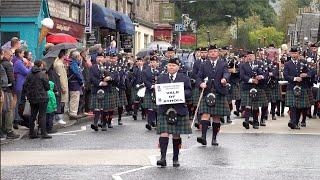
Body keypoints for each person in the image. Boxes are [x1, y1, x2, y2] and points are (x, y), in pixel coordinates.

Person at [156, 57, 192, 167]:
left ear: (178, 67)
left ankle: (175, 158)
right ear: (167, 66)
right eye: (169, 65)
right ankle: (163, 158)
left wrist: (179, 93)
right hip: (164, 109)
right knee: (164, 133)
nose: (171, 67)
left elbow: (189, 92)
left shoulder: (184, 78)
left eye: (173, 66)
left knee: (176, 135)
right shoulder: (161, 78)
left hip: (179, 109)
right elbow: (158, 91)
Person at [196, 45, 230, 146]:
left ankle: (214, 138)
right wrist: (200, 83)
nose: (213, 53)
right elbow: (198, 77)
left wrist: (225, 79)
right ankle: (203, 137)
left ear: (218, 53)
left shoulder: (223, 64)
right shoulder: (204, 65)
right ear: (208, 53)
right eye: (211, 51)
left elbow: (227, 73)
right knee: (205, 114)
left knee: (216, 117)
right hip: (207, 92)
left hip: (219, 92)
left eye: (215, 51)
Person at [284, 47, 312, 129]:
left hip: (302, 87)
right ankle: (293, 121)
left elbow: (311, 71)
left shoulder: (303, 63)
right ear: (290, 54)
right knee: (292, 106)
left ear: (298, 54)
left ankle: (296, 122)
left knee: (299, 106)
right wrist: (295, 78)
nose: (294, 55)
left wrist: (306, 75)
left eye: (295, 53)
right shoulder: (287, 64)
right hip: (292, 87)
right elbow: (285, 76)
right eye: (292, 53)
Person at [240, 51, 268, 129]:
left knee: (256, 105)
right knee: (248, 105)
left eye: (251, 55)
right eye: (248, 55)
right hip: (247, 87)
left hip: (257, 87)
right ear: (246, 57)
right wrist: (251, 80)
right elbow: (242, 76)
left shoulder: (259, 64)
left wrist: (261, 76)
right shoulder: (243, 65)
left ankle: (256, 122)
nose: (250, 57)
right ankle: (246, 121)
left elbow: (265, 73)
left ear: (254, 56)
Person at [90, 52, 118, 131]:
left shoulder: (109, 66)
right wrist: (100, 83)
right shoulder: (93, 67)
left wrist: (109, 78)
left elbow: (115, 75)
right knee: (97, 107)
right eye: (98, 57)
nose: (99, 58)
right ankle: (95, 123)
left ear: (104, 58)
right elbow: (91, 78)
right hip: (97, 89)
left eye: (101, 57)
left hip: (106, 89)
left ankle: (104, 124)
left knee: (105, 108)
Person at [23, 60, 51, 139]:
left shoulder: (29, 74)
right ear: (41, 65)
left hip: (32, 98)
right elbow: (47, 87)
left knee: (33, 115)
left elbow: (25, 86)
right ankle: (43, 133)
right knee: (42, 115)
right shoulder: (42, 75)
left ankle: (31, 133)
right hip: (42, 98)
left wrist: (28, 93)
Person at [0, 49, 20, 139]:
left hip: (4, 90)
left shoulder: (2, 64)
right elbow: (11, 79)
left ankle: (3, 130)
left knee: (3, 111)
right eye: (11, 55)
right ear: (6, 55)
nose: (12, 57)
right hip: (7, 91)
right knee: (9, 110)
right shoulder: (8, 64)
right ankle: (9, 131)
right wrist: (14, 91)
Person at [143, 56, 160, 130]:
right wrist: (151, 86)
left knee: (157, 108)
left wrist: (158, 86)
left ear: (157, 63)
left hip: (159, 91)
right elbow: (145, 80)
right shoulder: (146, 71)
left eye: (154, 62)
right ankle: (149, 123)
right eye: (151, 62)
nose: (152, 63)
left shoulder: (161, 70)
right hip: (149, 91)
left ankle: (157, 123)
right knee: (150, 108)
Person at [53, 50, 68, 124]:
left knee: (60, 102)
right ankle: (59, 118)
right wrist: (63, 87)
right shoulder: (59, 64)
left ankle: (58, 117)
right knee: (61, 102)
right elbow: (61, 77)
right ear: (63, 55)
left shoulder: (59, 63)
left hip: (61, 85)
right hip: (62, 86)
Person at [68, 51, 84, 119]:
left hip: (74, 83)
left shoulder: (74, 63)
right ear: (77, 57)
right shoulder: (74, 64)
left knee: (75, 97)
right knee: (74, 98)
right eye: (79, 56)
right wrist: (81, 82)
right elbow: (77, 73)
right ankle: (73, 113)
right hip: (74, 83)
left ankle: (73, 112)